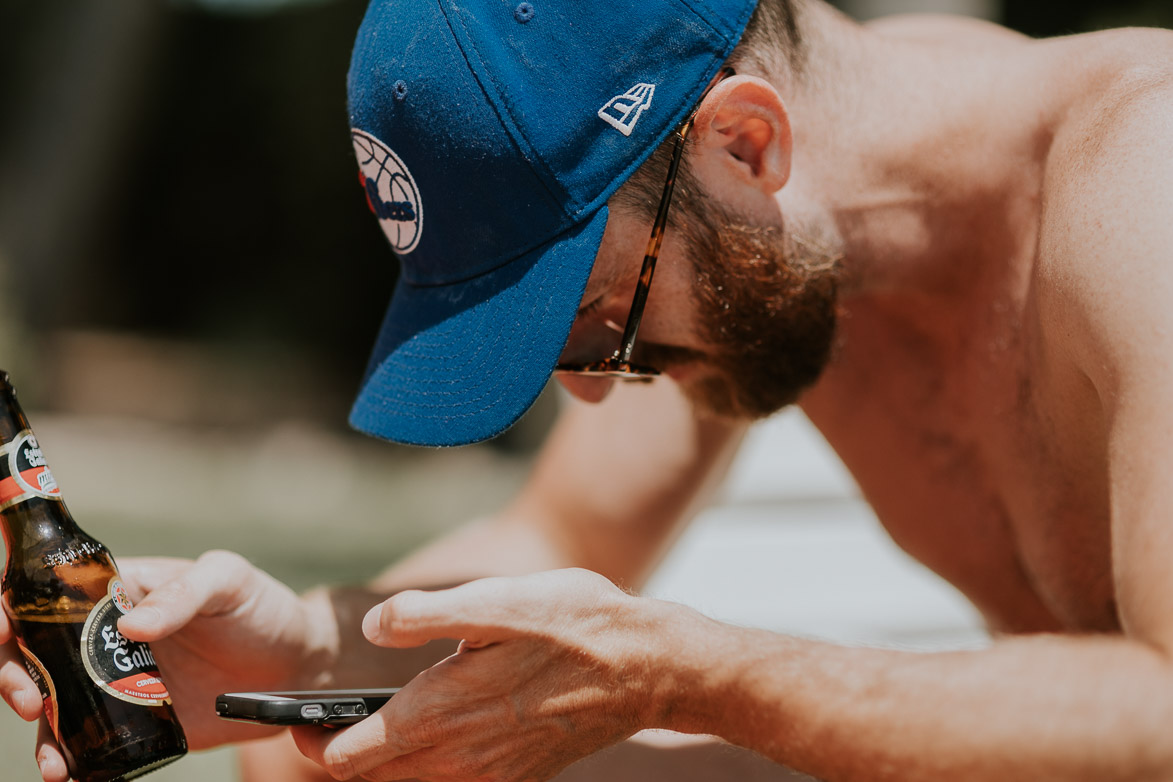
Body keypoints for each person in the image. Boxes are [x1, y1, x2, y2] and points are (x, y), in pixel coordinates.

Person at [5, 0, 1173, 779]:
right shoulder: (768, 221)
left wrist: (697, 675)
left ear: (748, 146)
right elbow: (560, 536)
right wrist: (306, 647)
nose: (605, 395)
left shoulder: (1140, 189)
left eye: (602, 324)